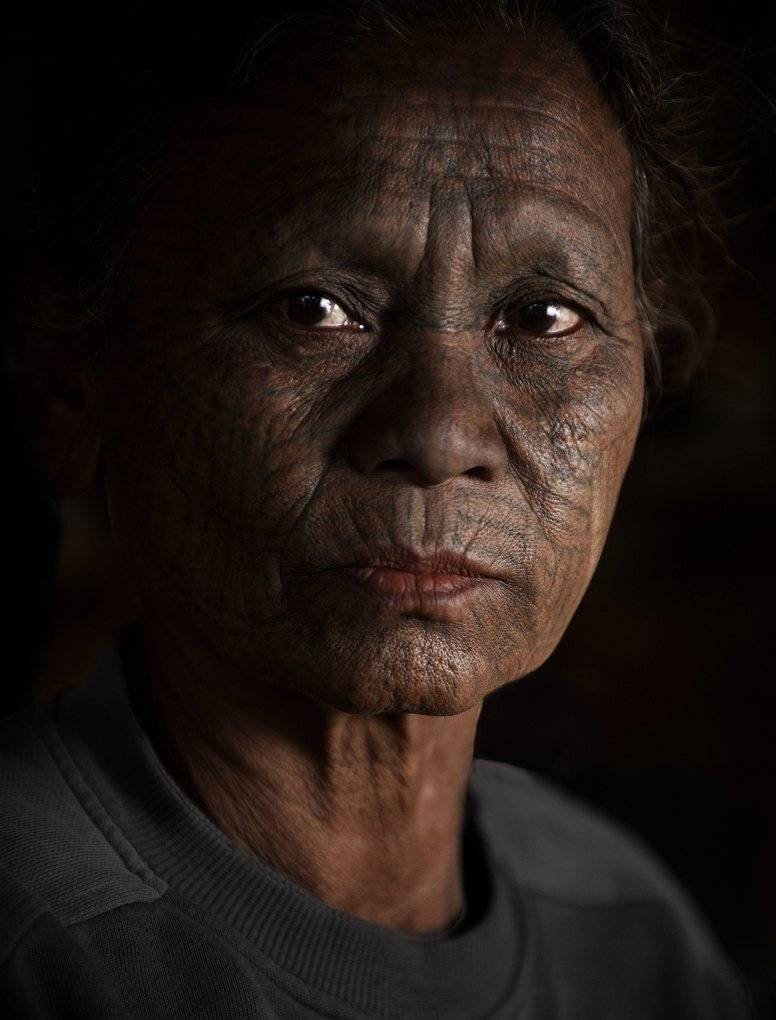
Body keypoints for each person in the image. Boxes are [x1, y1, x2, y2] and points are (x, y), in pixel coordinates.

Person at [1, 0, 756, 1016]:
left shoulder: (626, 935)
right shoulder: (37, 948)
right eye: (314, 309)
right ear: (72, 380)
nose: (440, 434)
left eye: (544, 317)